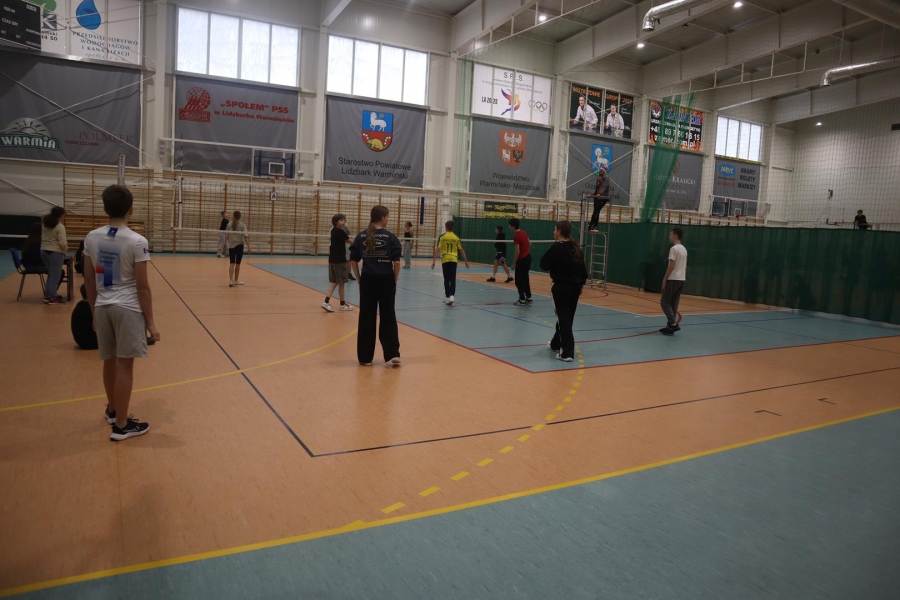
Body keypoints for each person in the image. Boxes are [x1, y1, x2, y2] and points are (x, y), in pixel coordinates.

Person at [83, 184, 160, 441]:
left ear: (105, 208)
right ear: (131, 209)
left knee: (109, 360)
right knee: (125, 366)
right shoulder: (137, 241)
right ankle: (122, 425)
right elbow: (142, 287)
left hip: (102, 306)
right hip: (127, 308)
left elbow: (90, 280)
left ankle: (113, 410)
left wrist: (94, 312)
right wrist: (151, 323)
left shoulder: (92, 237)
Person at [350, 205, 402, 367]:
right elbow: (397, 263)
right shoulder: (391, 237)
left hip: (368, 280)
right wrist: (394, 281)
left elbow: (353, 261)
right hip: (386, 279)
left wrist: (360, 280)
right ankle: (392, 354)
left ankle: (365, 357)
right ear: (383, 217)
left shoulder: (361, 236)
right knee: (388, 315)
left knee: (366, 317)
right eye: (388, 216)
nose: (388, 219)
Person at [540, 221, 588, 362]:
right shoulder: (576, 248)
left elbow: (543, 264)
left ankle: (566, 353)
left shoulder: (557, 248)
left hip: (561, 288)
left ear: (560, 231)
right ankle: (556, 344)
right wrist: (581, 285)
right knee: (567, 317)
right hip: (575, 288)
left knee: (563, 319)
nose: (553, 232)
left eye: (555, 229)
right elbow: (583, 271)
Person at [72, 283, 156, 351]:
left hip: (82, 341)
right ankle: (137, 339)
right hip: (90, 341)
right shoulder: (90, 308)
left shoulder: (80, 306)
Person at [432, 220, 469, 306]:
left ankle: (447, 296)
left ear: (446, 227)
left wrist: (433, 261)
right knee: (452, 278)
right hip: (453, 260)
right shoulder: (456, 237)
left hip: (445, 259)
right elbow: (461, 250)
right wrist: (466, 261)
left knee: (446, 279)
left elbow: (438, 249)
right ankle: (452, 296)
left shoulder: (442, 237)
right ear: (453, 228)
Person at [322, 213, 354, 312]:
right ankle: (328, 302)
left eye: (344, 220)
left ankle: (341, 303)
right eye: (341, 220)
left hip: (332, 260)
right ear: (336, 222)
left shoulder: (333, 231)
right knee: (340, 283)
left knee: (337, 282)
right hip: (339, 261)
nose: (344, 222)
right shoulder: (340, 232)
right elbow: (350, 241)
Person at [660, 227, 687, 336]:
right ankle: (670, 327)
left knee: (665, 302)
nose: (669, 236)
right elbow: (685, 267)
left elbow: (671, 265)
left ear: (675, 235)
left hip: (673, 279)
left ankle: (673, 323)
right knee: (673, 304)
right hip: (681, 279)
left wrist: (665, 278)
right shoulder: (684, 249)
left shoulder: (674, 249)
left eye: (670, 234)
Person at [40, 206, 68, 305]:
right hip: (55, 252)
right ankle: (53, 297)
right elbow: (62, 243)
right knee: (55, 275)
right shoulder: (60, 227)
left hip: (43, 251)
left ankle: (47, 295)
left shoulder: (45, 224)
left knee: (51, 274)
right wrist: (65, 249)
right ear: (61, 215)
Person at [509, 218, 532, 306]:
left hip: (522, 260)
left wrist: (514, 263)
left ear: (513, 226)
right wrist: (526, 252)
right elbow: (530, 244)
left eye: (509, 225)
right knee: (525, 278)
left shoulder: (516, 237)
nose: (509, 226)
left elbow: (517, 252)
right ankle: (528, 297)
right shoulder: (524, 232)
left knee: (519, 281)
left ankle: (522, 299)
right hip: (528, 258)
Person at [227, 210, 251, 287]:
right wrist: (249, 246)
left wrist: (230, 241)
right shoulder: (242, 225)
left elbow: (227, 235)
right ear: (240, 217)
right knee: (238, 264)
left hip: (231, 246)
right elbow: (246, 236)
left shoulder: (229, 225)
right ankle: (236, 280)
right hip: (239, 246)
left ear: (233, 216)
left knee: (232, 263)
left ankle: (231, 281)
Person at [588, 167, 610, 232]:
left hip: (603, 198)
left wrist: (600, 193)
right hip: (597, 197)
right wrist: (593, 193)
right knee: (596, 211)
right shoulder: (598, 180)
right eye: (599, 171)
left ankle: (592, 225)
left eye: (600, 171)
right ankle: (594, 226)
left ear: (604, 172)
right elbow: (597, 189)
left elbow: (604, 188)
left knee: (596, 211)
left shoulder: (607, 179)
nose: (599, 172)